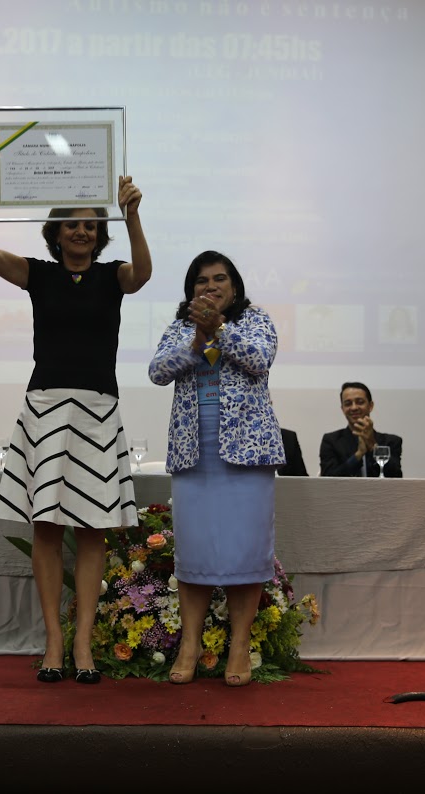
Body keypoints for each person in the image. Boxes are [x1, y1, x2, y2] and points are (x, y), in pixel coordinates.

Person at [0, 151, 151, 684]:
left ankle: (84, 643)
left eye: (91, 224)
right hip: (45, 409)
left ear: (100, 232)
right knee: (46, 526)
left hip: (98, 411)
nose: (81, 231)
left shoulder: (112, 277)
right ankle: (53, 639)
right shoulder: (39, 275)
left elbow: (142, 274)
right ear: (55, 231)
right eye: (72, 224)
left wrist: (132, 212)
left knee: (93, 532)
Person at [148, 250, 285, 687]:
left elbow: (259, 360)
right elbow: (157, 372)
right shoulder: (179, 328)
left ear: (235, 286)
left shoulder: (255, 321)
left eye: (219, 279)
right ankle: (190, 645)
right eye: (201, 280)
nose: (211, 286)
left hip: (248, 452)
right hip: (194, 453)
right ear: (191, 292)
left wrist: (219, 329)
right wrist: (196, 340)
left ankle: (239, 646)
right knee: (194, 554)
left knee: (246, 551)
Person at [320, 382, 404, 478]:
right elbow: (328, 480)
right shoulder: (331, 441)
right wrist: (358, 455)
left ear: (370, 406)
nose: (354, 407)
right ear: (342, 409)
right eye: (348, 404)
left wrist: (373, 445)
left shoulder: (391, 441)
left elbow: (395, 476)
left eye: (360, 402)